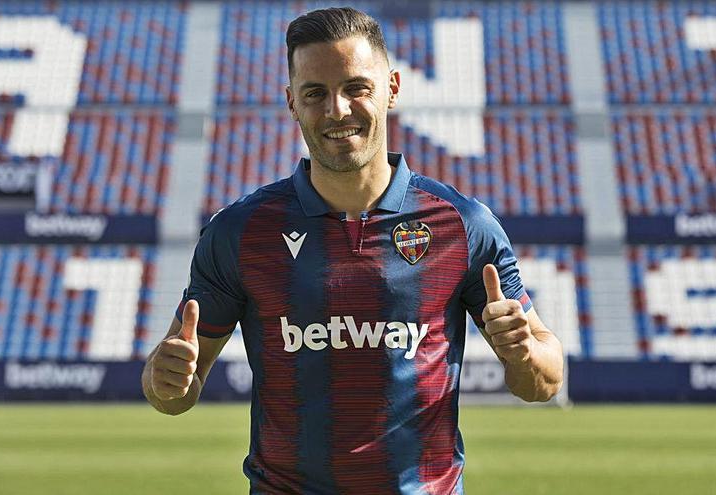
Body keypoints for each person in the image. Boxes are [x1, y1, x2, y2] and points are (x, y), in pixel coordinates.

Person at [142, 6, 563, 494]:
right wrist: (164, 379)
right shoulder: (240, 231)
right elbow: (174, 390)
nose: (337, 110)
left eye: (356, 88)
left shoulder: (464, 225)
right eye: (315, 93)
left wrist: (526, 353)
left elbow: (544, 382)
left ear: (392, 89)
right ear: (292, 103)